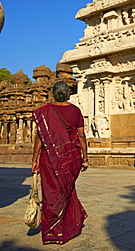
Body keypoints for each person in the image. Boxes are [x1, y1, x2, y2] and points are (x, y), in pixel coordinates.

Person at [31, 81, 88, 245]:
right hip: (72, 158)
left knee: (51, 193)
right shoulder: (75, 111)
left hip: (49, 158)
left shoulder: (45, 111)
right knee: (66, 190)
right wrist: (85, 156)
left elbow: (40, 137)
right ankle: (69, 227)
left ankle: (53, 232)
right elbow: (81, 136)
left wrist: (34, 158)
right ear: (68, 94)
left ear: (53, 94)